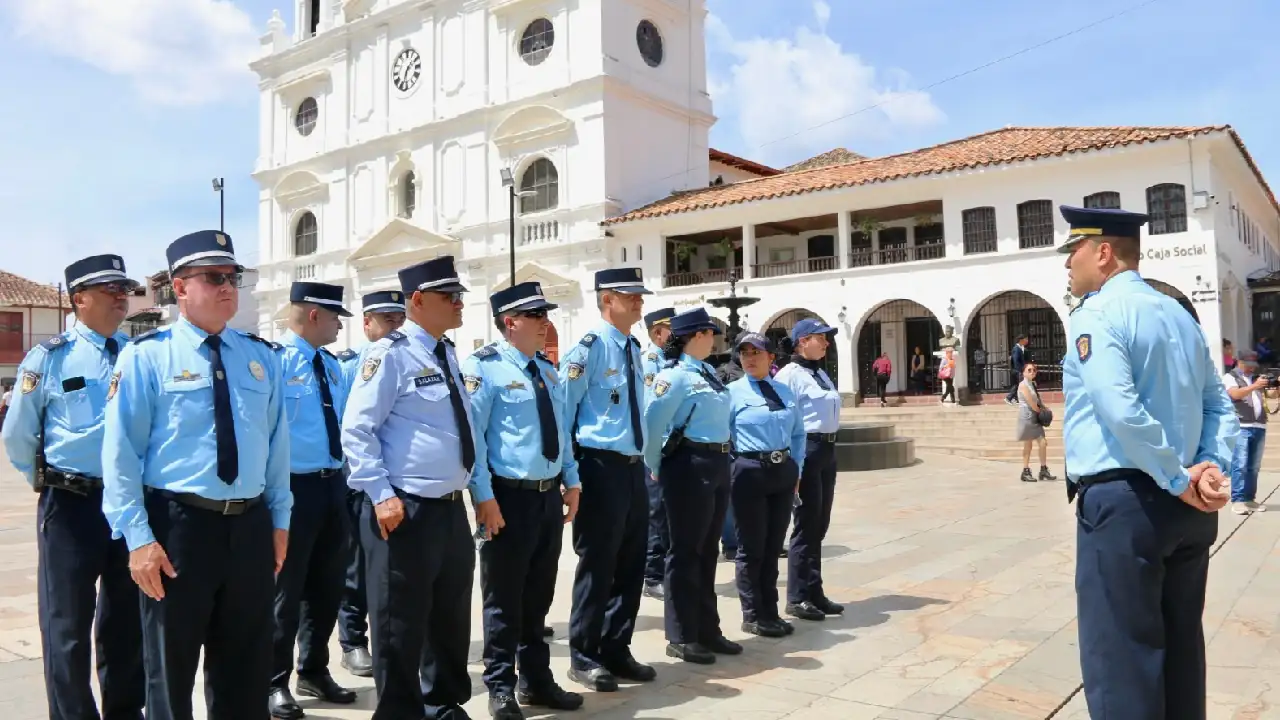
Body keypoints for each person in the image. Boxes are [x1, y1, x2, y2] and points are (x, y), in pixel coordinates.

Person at [102, 231, 293, 720]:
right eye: (214, 277)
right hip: (178, 528)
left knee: (247, 668)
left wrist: (279, 520)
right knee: (170, 668)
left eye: (233, 277)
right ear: (179, 287)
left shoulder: (259, 357)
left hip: (249, 526)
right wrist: (138, 539)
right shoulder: (146, 356)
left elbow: (276, 447)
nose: (228, 286)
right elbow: (120, 454)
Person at [1059, 204, 1236, 720]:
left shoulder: (1096, 314)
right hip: (1188, 510)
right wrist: (1210, 469)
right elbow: (1217, 402)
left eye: (1074, 251)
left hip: (1127, 504)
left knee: (1120, 661)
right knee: (1181, 651)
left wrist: (1181, 478)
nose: (1067, 264)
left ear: (1104, 253)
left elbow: (1119, 408)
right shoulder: (1178, 313)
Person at [2, 255, 145, 720]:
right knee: (66, 625)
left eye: (123, 289)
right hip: (71, 505)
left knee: (126, 621)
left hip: (127, 506)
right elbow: (18, 434)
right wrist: (49, 482)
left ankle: (124, 711)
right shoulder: (50, 356)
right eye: (109, 290)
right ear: (79, 298)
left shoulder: (135, 355)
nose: (120, 298)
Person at [341, 256, 483, 720]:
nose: (460, 304)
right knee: (398, 622)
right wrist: (380, 494)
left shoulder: (447, 352)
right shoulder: (390, 354)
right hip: (405, 507)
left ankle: (442, 703)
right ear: (418, 301)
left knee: (450, 613)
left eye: (460, 295)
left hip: (448, 506)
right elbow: (358, 431)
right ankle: (399, 712)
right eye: (450, 297)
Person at [461, 281, 585, 719]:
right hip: (506, 500)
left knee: (539, 598)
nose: (545, 323)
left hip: (547, 497)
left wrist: (572, 481)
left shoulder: (547, 371)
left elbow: (562, 431)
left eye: (546, 314)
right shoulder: (484, 369)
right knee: (503, 598)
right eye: (536, 316)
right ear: (510, 322)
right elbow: (472, 441)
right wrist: (482, 498)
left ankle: (536, 679)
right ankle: (499, 685)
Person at [559, 267, 657, 692]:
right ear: (606, 300)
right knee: (598, 564)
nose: (638, 302)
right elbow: (564, 414)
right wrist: (570, 474)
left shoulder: (633, 346)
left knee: (632, 562)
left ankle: (617, 647)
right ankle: (583, 653)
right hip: (599, 466)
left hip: (632, 467)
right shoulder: (590, 349)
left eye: (639, 295)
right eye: (629, 295)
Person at [269, 281, 358, 718]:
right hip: (292, 489)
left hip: (332, 485)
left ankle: (314, 669)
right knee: (286, 593)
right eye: (335, 316)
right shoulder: (276, 362)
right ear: (312, 316)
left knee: (327, 587)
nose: (341, 325)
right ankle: (273, 681)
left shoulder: (333, 365)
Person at [642, 308, 740, 664]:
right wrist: (654, 465)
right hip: (687, 464)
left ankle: (707, 628)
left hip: (715, 462)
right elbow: (653, 423)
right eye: (710, 332)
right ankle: (681, 635)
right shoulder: (675, 376)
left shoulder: (709, 373)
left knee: (707, 550)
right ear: (695, 335)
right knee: (684, 552)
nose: (714, 338)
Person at [334, 289, 406, 678]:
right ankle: (353, 640)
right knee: (356, 565)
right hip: (356, 480)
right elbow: (350, 426)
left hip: (398, 482)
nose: (396, 325)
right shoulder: (350, 366)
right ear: (367, 324)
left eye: (399, 318)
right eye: (387, 319)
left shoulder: (411, 359)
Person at [725, 333, 806, 639]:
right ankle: (753, 614)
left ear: (771, 358)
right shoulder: (731, 393)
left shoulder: (784, 392)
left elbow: (798, 433)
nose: (750, 358)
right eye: (744, 353)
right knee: (752, 547)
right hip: (749, 472)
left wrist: (797, 466)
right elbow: (723, 434)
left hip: (782, 472)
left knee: (773, 546)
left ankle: (770, 611)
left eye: (756, 353)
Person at [774, 318, 843, 622]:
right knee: (805, 523)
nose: (827, 343)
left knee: (820, 523)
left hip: (827, 450)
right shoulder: (790, 375)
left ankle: (814, 591)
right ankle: (797, 596)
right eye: (821, 338)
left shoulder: (820, 374)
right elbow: (783, 419)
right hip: (807, 450)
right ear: (803, 341)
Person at [640, 307, 675, 600]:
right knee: (656, 514)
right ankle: (652, 576)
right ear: (657, 333)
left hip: (672, 450)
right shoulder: (651, 361)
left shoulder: (671, 361)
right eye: (671, 330)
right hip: (657, 451)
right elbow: (654, 410)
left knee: (668, 513)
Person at [1222, 350, 1272, 515]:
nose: (1251, 369)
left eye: (1253, 365)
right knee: (1240, 465)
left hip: (1259, 426)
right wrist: (1254, 386)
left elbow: (1269, 395)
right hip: (1241, 427)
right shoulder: (1230, 377)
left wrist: (1274, 386)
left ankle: (1250, 499)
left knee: (1253, 467)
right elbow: (1234, 394)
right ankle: (1238, 500)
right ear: (1239, 362)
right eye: (1248, 365)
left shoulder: (1255, 379)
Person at [1014, 363, 1055, 483]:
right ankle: (1025, 470)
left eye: (1034, 370)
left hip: (1034, 417)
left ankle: (1043, 470)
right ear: (1024, 373)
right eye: (1029, 370)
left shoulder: (1032, 384)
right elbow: (1032, 404)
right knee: (1028, 445)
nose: (1032, 372)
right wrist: (1042, 412)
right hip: (1027, 417)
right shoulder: (1023, 385)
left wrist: (1045, 409)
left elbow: (1037, 401)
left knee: (1043, 442)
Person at [1004, 334, 1030, 405]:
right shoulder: (1016, 348)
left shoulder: (1020, 348)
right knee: (1018, 385)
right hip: (1017, 370)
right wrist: (1020, 370)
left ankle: (1014, 399)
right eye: (1025, 339)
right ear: (1021, 340)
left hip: (1018, 370)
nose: (1026, 341)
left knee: (1016, 385)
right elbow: (1016, 361)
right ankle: (1009, 398)